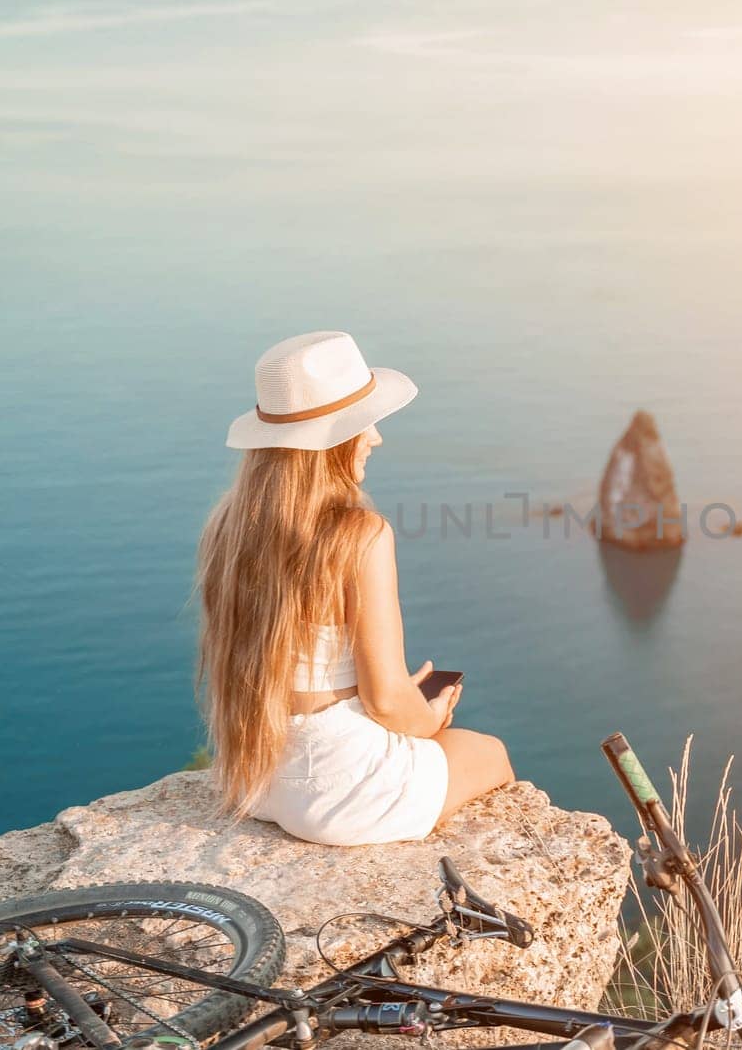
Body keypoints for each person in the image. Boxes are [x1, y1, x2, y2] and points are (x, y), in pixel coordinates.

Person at [195, 330, 513, 845]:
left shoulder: (228, 524)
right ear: (334, 441)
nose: (376, 438)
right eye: (364, 425)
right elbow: (387, 700)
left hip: (256, 777)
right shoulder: (359, 535)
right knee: (488, 752)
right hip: (339, 789)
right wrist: (427, 717)